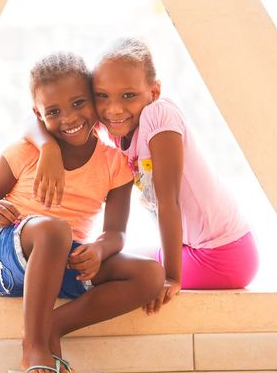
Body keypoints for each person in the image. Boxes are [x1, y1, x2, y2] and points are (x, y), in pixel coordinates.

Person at [0, 52, 164, 373]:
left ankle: (53, 327)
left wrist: (100, 249)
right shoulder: (27, 151)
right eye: (54, 112)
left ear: (93, 101)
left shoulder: (113, 164)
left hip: (63, 259)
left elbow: (116, 233)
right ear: (38, 115)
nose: (70, 118)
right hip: (4, 255)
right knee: (54, 229)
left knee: (149, 274)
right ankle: (33, 348)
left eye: (79, 104)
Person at [28, 38, 258, 315]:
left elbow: (167, 200)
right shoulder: (116, 125)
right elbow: (34, 117)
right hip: (193, 249)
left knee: (124, 277)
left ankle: (51, 326)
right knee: (108, 263)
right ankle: (47, 326)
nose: (114, 108)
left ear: (154, 91)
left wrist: (172, 277)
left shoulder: (159, 116)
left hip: (224, 254)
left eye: (128, 95)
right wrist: (48, 148)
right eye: (102, 96)